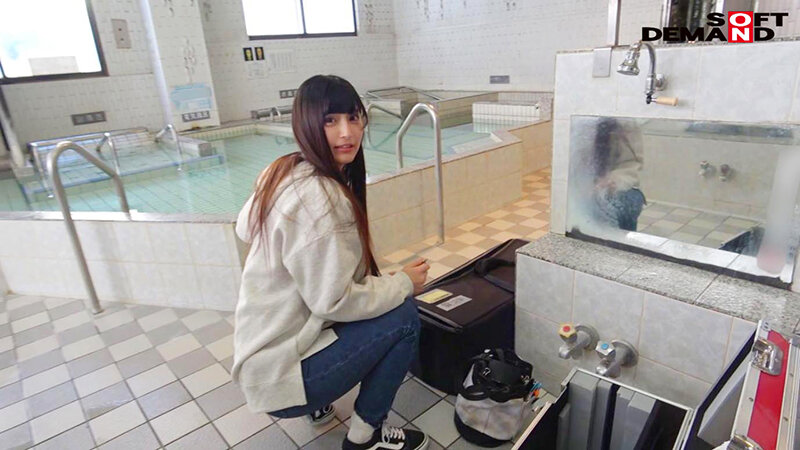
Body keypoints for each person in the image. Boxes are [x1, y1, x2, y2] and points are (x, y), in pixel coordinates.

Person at [231, 74, 431, 450]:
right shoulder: (319, 199)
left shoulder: (284, 170)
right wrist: (404, 283)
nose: (346, 132)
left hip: (263, 357)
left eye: (353, 117)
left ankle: (318, 406)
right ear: (307, 124)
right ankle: (366, 436)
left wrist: (382, 284)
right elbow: (335, 301)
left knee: (377, 298)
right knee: (403, 317)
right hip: (281, 375)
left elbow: (317, 280)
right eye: (330, 120)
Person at [592, 117, 646, 231]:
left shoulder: (626, 122)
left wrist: (614, 180)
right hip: (584, 189)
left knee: (624, 200)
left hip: (619, 188)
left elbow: (633, 162)